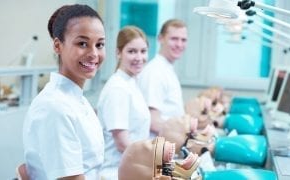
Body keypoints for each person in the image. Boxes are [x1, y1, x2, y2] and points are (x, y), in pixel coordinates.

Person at [23, 4, 106, 179]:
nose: (94, 53)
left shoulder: (77, 100)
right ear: (58, 46)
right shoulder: (55, 107)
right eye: (82, 43)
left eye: (99, 44)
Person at [96, 26, 151, 179]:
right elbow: (122, 143)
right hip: (115, 172)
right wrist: (156, 160)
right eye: (132, 51)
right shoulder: (117, 89)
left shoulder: (131, 83)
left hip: (132, 169)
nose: (139, 57)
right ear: (118, 52)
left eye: (143, 51)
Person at [138, 19, 188, 136]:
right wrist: (186, 133)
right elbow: (153, 122)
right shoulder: (155, 72)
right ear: (160, 39)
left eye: (183, 40)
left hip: (168, 145)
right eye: (174, 39)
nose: (179, 44)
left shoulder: (167, 68)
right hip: (157, 149)